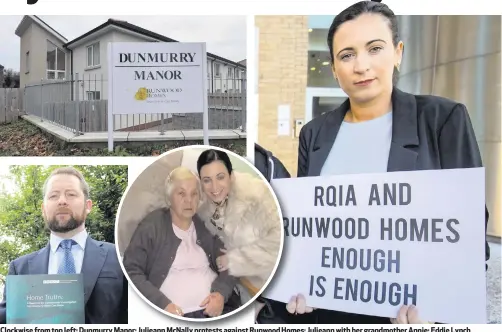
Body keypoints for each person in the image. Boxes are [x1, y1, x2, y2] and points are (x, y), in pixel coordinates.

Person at [284, 0, 490, 324]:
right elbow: (309, 230)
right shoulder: (314, 134)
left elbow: (469, 233)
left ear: (398, 52)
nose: (361, 66)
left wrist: (444, 310)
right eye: (347, 55)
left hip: (410, 315)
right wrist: (297, 282)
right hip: (329, 310)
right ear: (335, 68)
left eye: (375, 48)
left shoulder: (443, 119)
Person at [0, 167, 128, 324]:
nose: (62, 201)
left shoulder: (120, 256)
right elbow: (8, 319)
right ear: (43, 209)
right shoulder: (20, 268)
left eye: (71, 194)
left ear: (88, 206)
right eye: (53, 196)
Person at [122, 167, 240, 319]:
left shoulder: (205, 224)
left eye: (194, 194)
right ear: (169, 197)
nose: (189, 201)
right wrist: (162, 304)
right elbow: (131, 270)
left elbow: (230, 262)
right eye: (181, 193)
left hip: (217, 312)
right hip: (174, 315)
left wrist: (220, 294)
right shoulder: (152, 225)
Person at [195, 149, 282, 305]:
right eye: (207, 180)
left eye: (220, 177)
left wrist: (236, 260)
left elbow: (281, 240)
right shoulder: (203, 211)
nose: (214, 187)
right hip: (242, 293)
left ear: (231, 176)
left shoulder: (260, 196)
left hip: (274, 292)